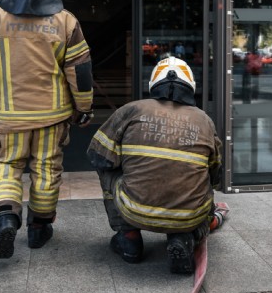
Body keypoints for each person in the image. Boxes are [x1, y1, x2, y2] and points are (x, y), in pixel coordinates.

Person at [0, 0, 94, 259]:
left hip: (7, 118)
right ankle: (39, 228)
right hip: (53, 118)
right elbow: (80, 70)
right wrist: (84, 107)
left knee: (5, 167)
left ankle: (6, 218)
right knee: (47, 170)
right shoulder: (66, 21)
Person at [87, 56, 223, 274]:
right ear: (190, 85)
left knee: (106, 167)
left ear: (153, 83)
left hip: (134, 210)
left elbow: (97, 156)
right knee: (204, 181)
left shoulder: (131, 109)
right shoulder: (204, 119)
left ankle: (128, 237)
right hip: (190, 216)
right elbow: (216, 175)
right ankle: (185, 238)